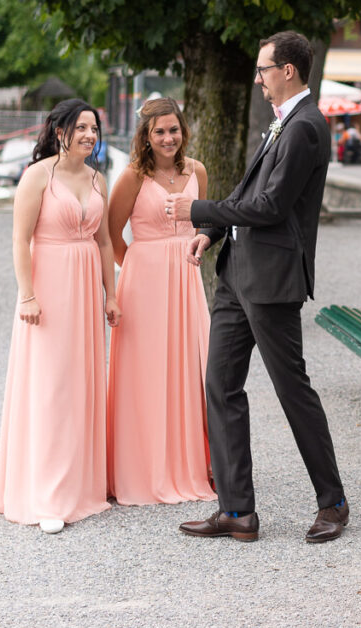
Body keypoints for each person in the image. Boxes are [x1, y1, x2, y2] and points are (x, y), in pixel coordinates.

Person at [167, 31, 348, 544]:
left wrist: (195, 209)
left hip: (271, 281)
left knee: (293, 391)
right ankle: (237, 511)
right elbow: (251, 194)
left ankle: (333, 502)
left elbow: (271, 208)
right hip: (236, 275)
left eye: (263, 69)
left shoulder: (306, 127)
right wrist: (212, 231)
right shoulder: (282, 124)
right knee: (220, 386)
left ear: (288, 70)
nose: (258, 78)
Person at [0, 99, 121, 534]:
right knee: (50, 385)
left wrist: (111, 294)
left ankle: (82, 485)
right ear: (58, 131)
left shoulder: (97, 178)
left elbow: (104, 243)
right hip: (48, 289)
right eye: (80, 127)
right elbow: (18, 239)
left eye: (93, 128)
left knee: (82, 382)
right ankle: (45, 493)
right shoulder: (36, 177)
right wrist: (27, 295)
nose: (89, 134)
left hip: (85, 290)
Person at [105, 97, 216, 506]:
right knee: (146, 371)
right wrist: (136, 266)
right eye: (159, 132)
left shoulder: (196, 172)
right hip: (145, 281)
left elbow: (203, 223)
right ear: (146, 137)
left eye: (174, 130)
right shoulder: (134, 176)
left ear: (183, 131)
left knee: (192, 366)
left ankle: (191, 463)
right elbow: (110, 233)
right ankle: (141, 466)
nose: (168, 138)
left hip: (186, 280)